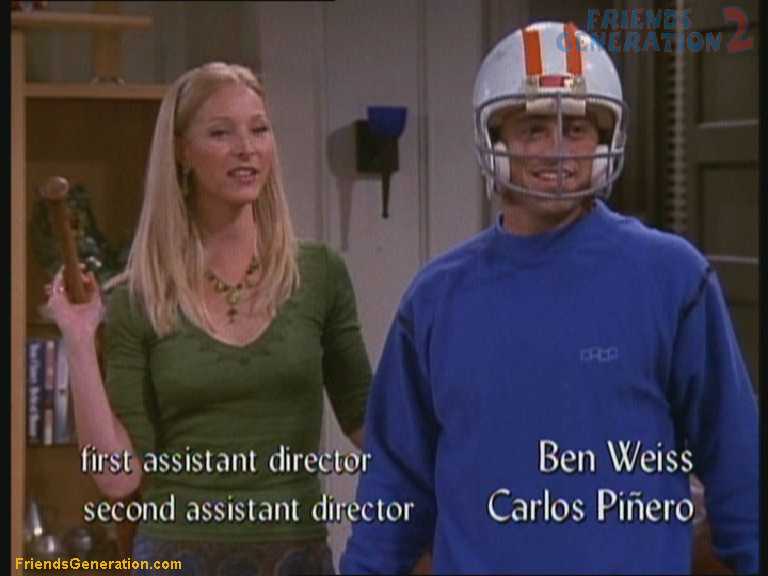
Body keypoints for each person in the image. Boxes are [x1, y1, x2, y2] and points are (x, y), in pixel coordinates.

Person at [340, 21, 758, 575]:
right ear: (496, 143)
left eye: (577, 128)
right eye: (534, 129)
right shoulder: (435, 300)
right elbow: (393, 490)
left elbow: (738, 468)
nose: (558, 150)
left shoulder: (674, 279)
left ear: (604, 143)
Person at [45, 62, 372, 575]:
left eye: (259, 130)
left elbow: (369, 426)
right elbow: (117, 477)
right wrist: (80, 338)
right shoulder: (140, 296)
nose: (246, 148)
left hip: (294, 556)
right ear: (181, 151)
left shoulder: (319, 274)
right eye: (221, 133)